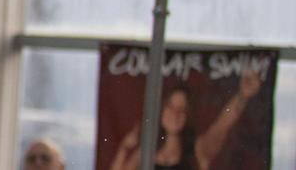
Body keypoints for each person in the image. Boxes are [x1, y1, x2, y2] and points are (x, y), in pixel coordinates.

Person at [107, 67, 263, 170]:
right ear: (161, 110)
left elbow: (222, 126)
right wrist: (124, 148)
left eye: (181, 110)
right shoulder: (145, 152)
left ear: (188, 116)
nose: (175, 114)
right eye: (171, 106)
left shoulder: (197, 151)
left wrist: (242, 97)